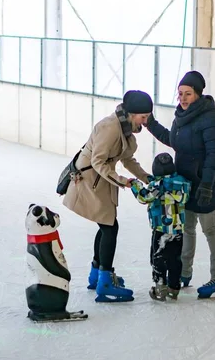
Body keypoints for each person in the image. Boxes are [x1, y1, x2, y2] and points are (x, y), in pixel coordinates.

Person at [63, 89, 153, 303]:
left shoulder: (126, 128)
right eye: (144, 117)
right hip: (89, 179)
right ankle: (104, 281)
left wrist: (148, 177)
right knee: (110, 227)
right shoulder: (110, 127)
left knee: (106, 224)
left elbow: (127, 158)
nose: (146, 122)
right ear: (132, 113)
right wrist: (123, 181)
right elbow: (98, 161)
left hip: (100, 178)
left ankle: (97, 275)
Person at [146, 70, 215, 299]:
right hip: (185, 185)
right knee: (187, 229)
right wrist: (150, 123)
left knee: (211, 230)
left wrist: (207, 185)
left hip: (206, 182)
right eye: (180, 94)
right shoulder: (180, 117)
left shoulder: (210, 118)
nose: (182, 98)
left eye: (188, 94)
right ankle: (183, 272)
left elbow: (214, 154)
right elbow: (173, 141)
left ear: (198, 95)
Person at [131, 152, 191, 302]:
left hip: (161, 230)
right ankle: (174, 288)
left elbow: (145, 196)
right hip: (177, 230)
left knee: (158, 258)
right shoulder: (182, 182)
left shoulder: (157, 186)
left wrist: (135, 185)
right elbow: (177, 192)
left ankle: (160, 288)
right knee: (175, 259)